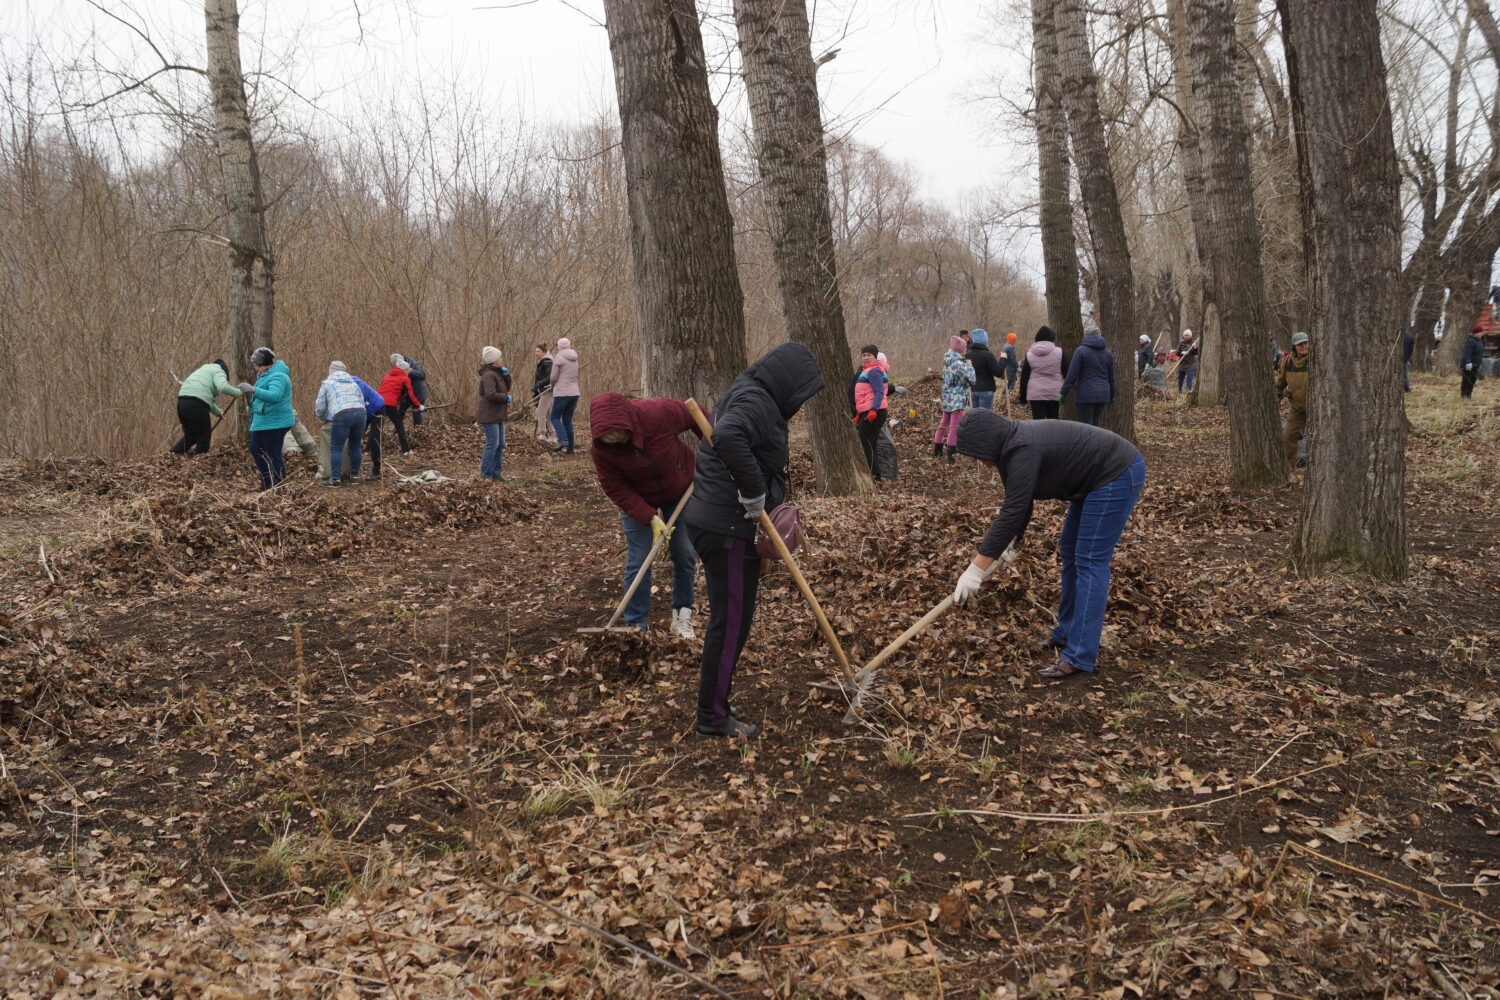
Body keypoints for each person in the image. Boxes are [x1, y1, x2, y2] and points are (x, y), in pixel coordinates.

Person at [682, 343, 823, 738]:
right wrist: (753, 490)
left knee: (733, 622)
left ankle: (718, 701)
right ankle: (711, 718)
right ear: (788, 383)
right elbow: (727, 435)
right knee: (729, 625)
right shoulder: (755, 400)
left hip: (721, 523)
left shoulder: (750, 392)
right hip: (727, 529)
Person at [951, 408, 1145, 680]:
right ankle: (1066, 633)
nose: (981, 463)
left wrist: (975, 569)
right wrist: (1010, 543)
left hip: (1115, 473)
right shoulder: (1010, 448)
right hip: (1088, 479)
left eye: (979, 455)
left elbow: (1012, 510)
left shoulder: (1022, 449)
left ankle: (1080, 655)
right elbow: (1022, 501)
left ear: (989, 443)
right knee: (1070, 551)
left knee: (1089, 561)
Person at [591, 392, 702, 639]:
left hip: (680, 489)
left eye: (619, 434)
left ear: (628, 422)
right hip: (638, 499)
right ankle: (636, 626)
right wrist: (649, 517)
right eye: (609, 439)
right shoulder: (602, 450)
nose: (616, 441)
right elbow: (615, 487)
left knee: (684, 551)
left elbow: (696, 413)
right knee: (639, 559)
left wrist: (711, 445)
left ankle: (682, 613)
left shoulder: (658, 413)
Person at [240, 347, 293, 493]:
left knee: (273, 453)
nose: (254, 367)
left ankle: (279, 485)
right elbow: (263, 399)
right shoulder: (264, 375)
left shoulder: (278, 376)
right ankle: (266, 483)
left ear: (264, 364)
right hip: (264, 421)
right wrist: (252, 407)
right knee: (256, 449)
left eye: (256, 364)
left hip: (276, 422)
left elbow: (275, 396)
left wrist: (253, 390)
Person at [313, 361, 367, 488]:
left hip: (342, 414)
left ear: (331, 370)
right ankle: (354, 476)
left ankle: (335, 479)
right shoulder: (353, 383)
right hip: (361, 413)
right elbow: (361, 399)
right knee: (355, 447)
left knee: (335, 448)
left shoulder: (327, 384)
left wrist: (323, 418)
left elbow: (320, 406)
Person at [171, 359, 242, 454]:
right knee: (204, 437)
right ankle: (198, 462)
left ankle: (172, 455)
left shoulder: (204, 369)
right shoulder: (219, 371)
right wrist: (239, 392)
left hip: (182, 402)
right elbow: (223, 387)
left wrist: (218, 412)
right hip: (196, 404)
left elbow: (202, 396)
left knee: (190, 436)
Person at [1061, 326, 1116, 426]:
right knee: (1095, 425)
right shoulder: (1108, 353)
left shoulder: (1080, 351)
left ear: (1086, 336)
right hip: (1103, 395)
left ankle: (1087, 442)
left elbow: (1072, 374)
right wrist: (1112, 396)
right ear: (1099, 335)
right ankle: (1096, 442)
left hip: (1085, 394)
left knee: (1085, 427)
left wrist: (1063, 393)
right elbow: (1111, 378)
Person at [933, 335, 975, 463]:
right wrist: (969, 366)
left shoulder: (947, 360)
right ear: (961, 349)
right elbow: (972, 380)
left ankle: (937, 451)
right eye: (965, 348)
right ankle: (951, 456)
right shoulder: (959, 364)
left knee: (943, 424)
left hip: (946, 397)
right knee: (954, 427)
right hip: (957, 398)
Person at [852, 344, 889, 478]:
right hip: (867, 411)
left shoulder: (874, 371)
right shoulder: (867, 370)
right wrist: (859, 414)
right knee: (869, 443)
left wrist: (873, 410)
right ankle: (875, 475)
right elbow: (866, 394)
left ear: (875, 357)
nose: (866, 357)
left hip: (875, 411)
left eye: (869, 355)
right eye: (864, 355)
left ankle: (875, 475)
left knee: (866, 442)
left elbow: (879, 392)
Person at [476, 347, 512, 481]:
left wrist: (506, 375)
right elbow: (490, 394)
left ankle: (496, 473)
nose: (501, 359)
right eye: (499, 357)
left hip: (498, 413)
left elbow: (507, 388)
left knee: (501, 444)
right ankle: (486, 474)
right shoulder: (488, 375)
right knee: (492, 443)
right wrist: (505, 398)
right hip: (489, 413)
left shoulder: (497, 373)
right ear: (493, 360)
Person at [377, 355, 424, 457]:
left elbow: (384, 390)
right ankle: (406, 451)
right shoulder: (404, 379)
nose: (409, 372)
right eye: (407, 370)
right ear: (404, 369)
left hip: (379, 403)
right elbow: (411, 396)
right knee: (400, 426)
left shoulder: (387, 376)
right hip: (390, 405)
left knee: (377, 427)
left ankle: (369, 450)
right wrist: (419, 406)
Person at [1276, 331, 1310, 466]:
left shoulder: (1317, 359)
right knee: (1288, 436)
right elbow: (1280, 382)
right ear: (1294, 347)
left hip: (1318, 408)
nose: (1304, 347)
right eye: (1300, 344)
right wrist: (1276, 397)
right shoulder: (1287, 361)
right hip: (1297, 408)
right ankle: (1289, 469)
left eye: (1305, 343)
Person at [1018, 326, 1066, 420]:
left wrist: (1022, 398)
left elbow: (1024, 378)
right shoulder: (1060, 353)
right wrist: (1064, 393)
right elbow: (1067, 373)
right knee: (1053, 422)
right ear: (1052, 338)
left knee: (1038, 424)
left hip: (1036, 394)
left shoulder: (1029, 355)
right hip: (1054, 392)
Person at [549, 337, 580, 454]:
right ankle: (570, 448)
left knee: (554, 417)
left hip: (562, 392)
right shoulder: (575, 357)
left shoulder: (558, 357)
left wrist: (551, 386)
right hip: (575, 392)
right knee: (567, 419)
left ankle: (563, 440)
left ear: (559, 346)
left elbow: (553, 377)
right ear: (569, 345)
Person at [966, 329, 1006, 410]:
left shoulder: (967, 355)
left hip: (973, 390)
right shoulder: (988, 355)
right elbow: (998, 373)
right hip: (986, 389)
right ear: (985, 340)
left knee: (975, 417)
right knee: (985, 418)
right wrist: (1003, 359)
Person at [531, 345, 555, 443]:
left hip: (547, 391)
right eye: (535, 351)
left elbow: (550, 377)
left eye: (538, 351)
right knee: (548, 414)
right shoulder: (543, 361)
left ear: (544, 352)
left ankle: (542, 434)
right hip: (544, 391)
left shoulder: (547, 362)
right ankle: (552, 435)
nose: (536, 353)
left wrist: (538, 385)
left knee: (540, 413)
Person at [403, 355, 429, 425]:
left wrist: (411, 371)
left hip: (419, 394)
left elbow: (422, 375)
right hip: (406, 395)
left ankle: (418, 430)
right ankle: (397, 430)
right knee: (400, 412)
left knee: (416, 413)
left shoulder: (414, 364)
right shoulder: (398, 368)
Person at [1461, 324, 1484, 399]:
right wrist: (1467, 362)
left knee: (1472, 380)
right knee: (1467, 380)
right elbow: (1467, 353)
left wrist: (1479, 363)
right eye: (1480, 333)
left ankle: (1469, 394)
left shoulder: (1479, 341)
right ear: (1476, 333)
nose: (1482, 334)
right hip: (1468, 365)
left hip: (1475, 364)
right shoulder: (1470, 341)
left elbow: (1479, 353)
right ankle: (1464, 395)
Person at [1174, 330, 1200, 394]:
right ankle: (1179, 391)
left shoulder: (1193, 343)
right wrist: (1181, 353)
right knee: (1180, 378)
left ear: (1190, 336)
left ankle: (1189, 391)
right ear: (1183, 336)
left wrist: (1195, 347)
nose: (1186, 336)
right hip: (1182, 363)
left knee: (1189, 378)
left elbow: (1196, 353)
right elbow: (1177, 352)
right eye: (1185, 335)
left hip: (1191, 363)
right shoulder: (1181, 343)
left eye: (1187, 335)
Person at [1400, 327, 1414, 393]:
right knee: (1405, 375)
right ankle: (1406, 388)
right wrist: (1407, 357)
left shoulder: (1398, 336)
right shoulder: (1410, 336)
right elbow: (1411, 349)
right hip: (1405, 358)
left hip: (1398, 357)